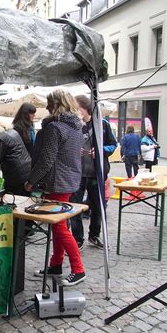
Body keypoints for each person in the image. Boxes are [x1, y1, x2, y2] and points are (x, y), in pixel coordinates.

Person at [24, 88, 86, 286]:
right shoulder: (76, 126)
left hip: (57, 182)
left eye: (50, 103)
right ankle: (56, 264)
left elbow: (46, 160)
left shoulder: (55, 128)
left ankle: (78, 269)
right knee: (58, 224)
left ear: (57, 104)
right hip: (69, 180)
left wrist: (31, 181)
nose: (47, 106)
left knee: (59, 226)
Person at [70, 95, 118, 250]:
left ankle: (94, 235)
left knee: (98, 206)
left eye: (78, 108)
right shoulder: (74, 125)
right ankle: (78, 238)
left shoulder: (102, 124)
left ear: (85, 107)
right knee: (76, 206)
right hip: (78, 173)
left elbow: (113, 144)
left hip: (97, 172)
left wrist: (101, 151)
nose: (76, 111)